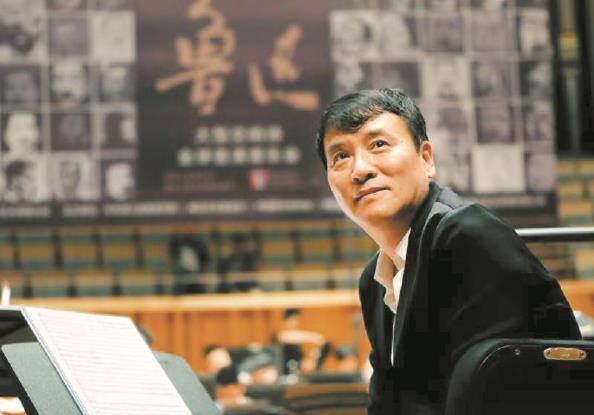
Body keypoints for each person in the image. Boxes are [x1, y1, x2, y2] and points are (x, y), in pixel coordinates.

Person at [315, 87, 581, 414]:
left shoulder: (468, 236)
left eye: (378, 144)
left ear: (426, 159)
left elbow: (495, 391)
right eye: (340, 156)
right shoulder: (374, 280)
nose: (360, 170)